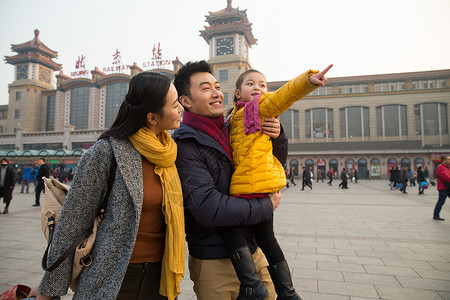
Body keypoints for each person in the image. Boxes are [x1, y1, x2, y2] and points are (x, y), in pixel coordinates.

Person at [30, 72, 185, 300]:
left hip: (159, 277)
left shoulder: (169, 152)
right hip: (113, 276)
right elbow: (72, 222)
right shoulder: (106, 152)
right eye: (175, 104)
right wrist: (50, 289)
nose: (181, 107)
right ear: (152, 117)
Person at [172, 61, 286, 300]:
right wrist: (266, 205)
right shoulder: (185, 145)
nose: (216, 93)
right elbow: (208, 207)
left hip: (253, 252)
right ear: (186, 101)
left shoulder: (233, 128)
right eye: (205, 89)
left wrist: (277, 136)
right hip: (215, 262)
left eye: (216, 86)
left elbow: (264, 167)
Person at [224, 66, 329, 299]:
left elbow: (285, 94)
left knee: (230, 229)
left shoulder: (261, 108)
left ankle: (252, 285)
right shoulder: (231, 118)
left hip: (251, 184)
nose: (257, 88)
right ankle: (287, 292)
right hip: (256, 183)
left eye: (262, 85)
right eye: (250, 84)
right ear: (237, 93)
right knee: (266, 237)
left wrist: (308, 81)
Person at [434, 154, 450, 221]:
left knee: (441, 201)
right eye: (448, 159)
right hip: (443, 188)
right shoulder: (440, 167)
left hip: (448, 187)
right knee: (441, 201)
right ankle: (436, 215)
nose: (449, 160)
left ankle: (436, 214)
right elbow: (446, 177)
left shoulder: (447, 167)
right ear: (443, 160)